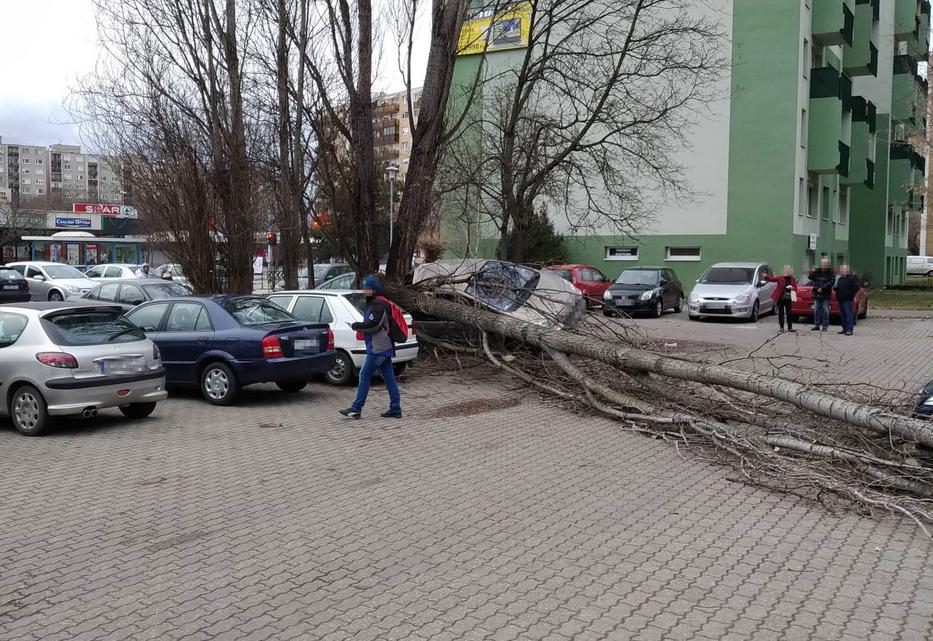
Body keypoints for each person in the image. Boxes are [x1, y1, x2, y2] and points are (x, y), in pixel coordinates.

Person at [339, 275, 402, 420]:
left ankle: (356, 409)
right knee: (389, 378)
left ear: (372, 289)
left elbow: (373, 325)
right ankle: (395, 408)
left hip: (378, 347)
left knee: (364, 375)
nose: (363, 290)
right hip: (382, 346)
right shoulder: (377, 303)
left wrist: (356, 326)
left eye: (366, 287)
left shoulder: (378, 305)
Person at [767, 265, 798, 333]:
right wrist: (766, 276)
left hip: (788, 298)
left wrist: (792, 288)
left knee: (789, 313)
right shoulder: (780, 278)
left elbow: (796, 288)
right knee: (781, 313)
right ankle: (781, 328)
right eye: (787, 271)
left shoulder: (793, 279)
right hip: (780, 298)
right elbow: (772, 279)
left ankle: (790, 327)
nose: (788, 273)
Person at [834, 264, 861, 336]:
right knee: (842, 315)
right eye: (841, 270)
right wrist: (835, 288)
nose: (842, 271)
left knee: (848, 314)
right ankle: (844, 328)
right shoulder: (840, 279)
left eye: (844, 270)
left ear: (847, 271)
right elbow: (838, 288)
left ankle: (850, 329)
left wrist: (850, 294)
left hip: (847, 299)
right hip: (840, 299)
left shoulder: (851, 278)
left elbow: (856, 287)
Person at [809, 257, 835, 332]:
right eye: (823, 263)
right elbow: (811, 278)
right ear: (821, 264)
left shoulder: (830, 272)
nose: (824, 265)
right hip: (817, 294)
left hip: (826, 295)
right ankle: (817, 325)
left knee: (825, 310)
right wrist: (812, 271)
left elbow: (832, 282)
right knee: (816, 310)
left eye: (826, 263)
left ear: (828, 264)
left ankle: (825, 326)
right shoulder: (817, 271)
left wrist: (823, 288)